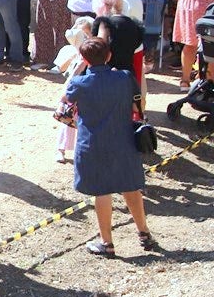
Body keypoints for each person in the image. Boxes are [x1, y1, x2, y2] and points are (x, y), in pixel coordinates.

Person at [65, 38, 158, 257]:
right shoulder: (124, 78)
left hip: (92, 144)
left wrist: (79, 69)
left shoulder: (80, 83)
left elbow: (64, 101)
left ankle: (107, 243)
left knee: (102, 192)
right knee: (131, 187)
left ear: (85, 60)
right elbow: (139, 106)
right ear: (109, 56)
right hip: (123, 140)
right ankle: (144, 233)